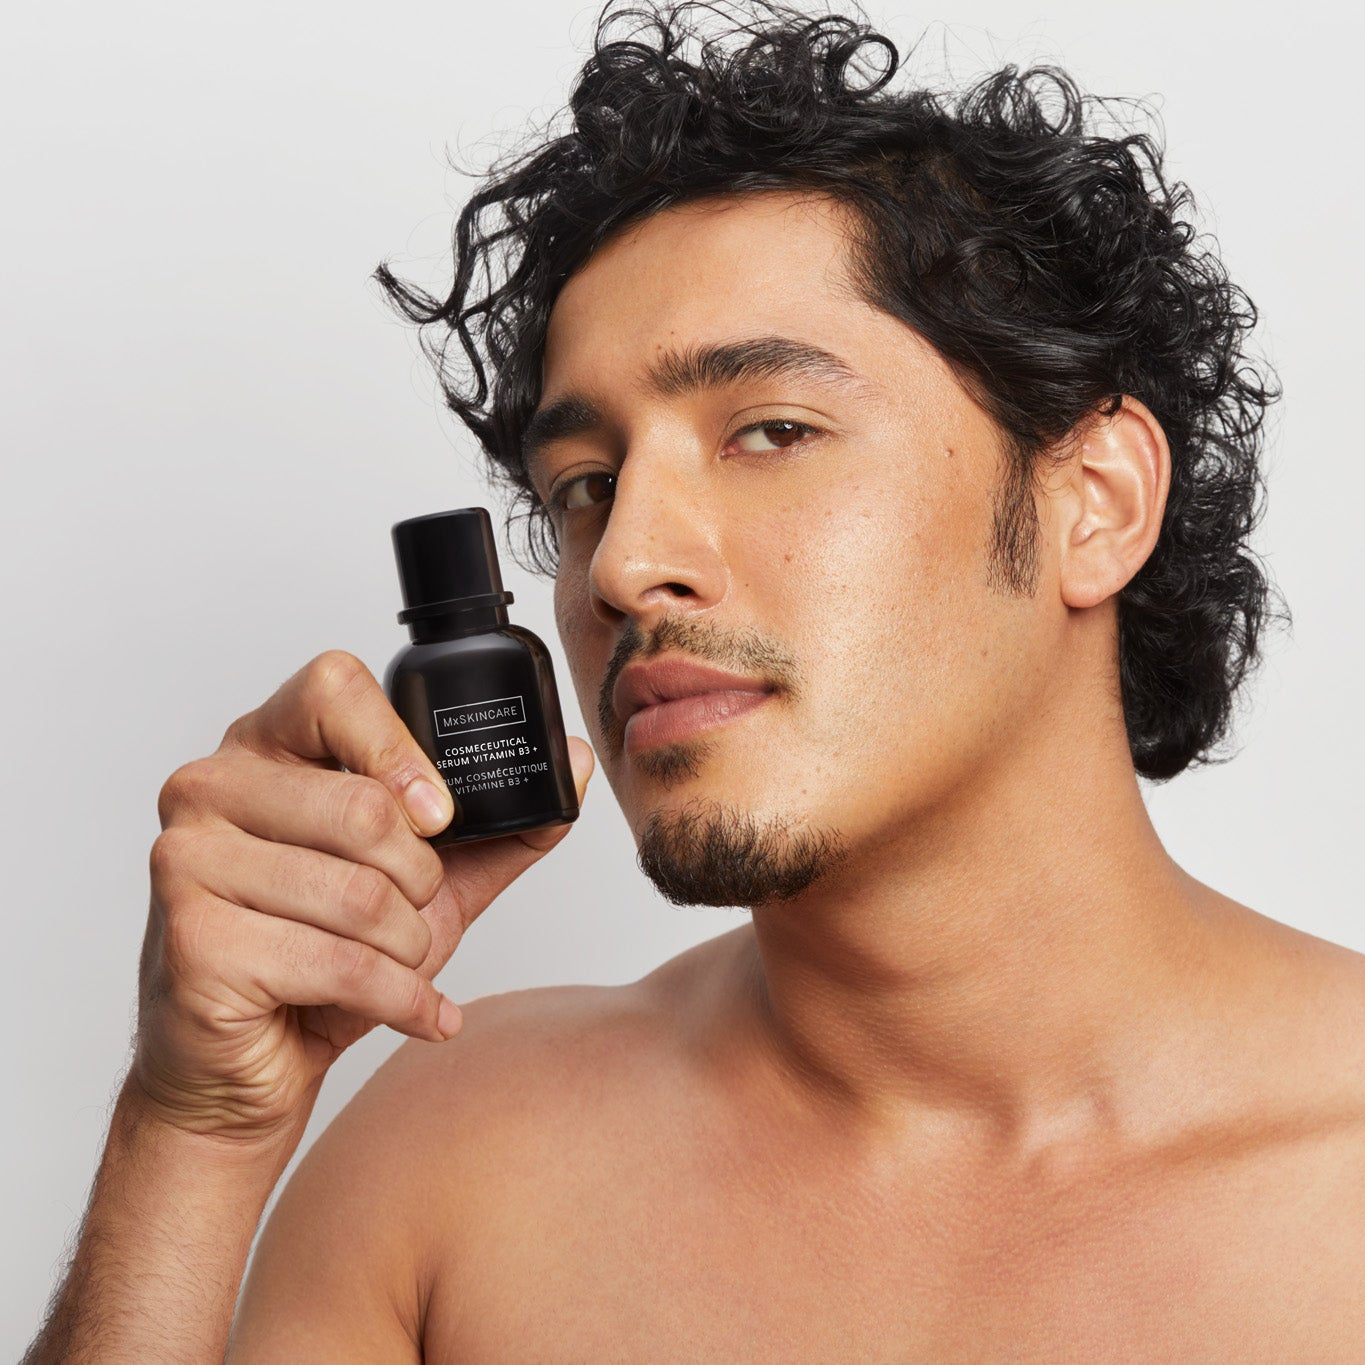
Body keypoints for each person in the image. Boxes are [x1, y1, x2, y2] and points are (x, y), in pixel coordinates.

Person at [25, 0, 1365, 1359]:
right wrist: (190, 1136)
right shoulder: (451, 1164)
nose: (623, 564)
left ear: (1095, 500)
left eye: (770, 430)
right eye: (584, 488)